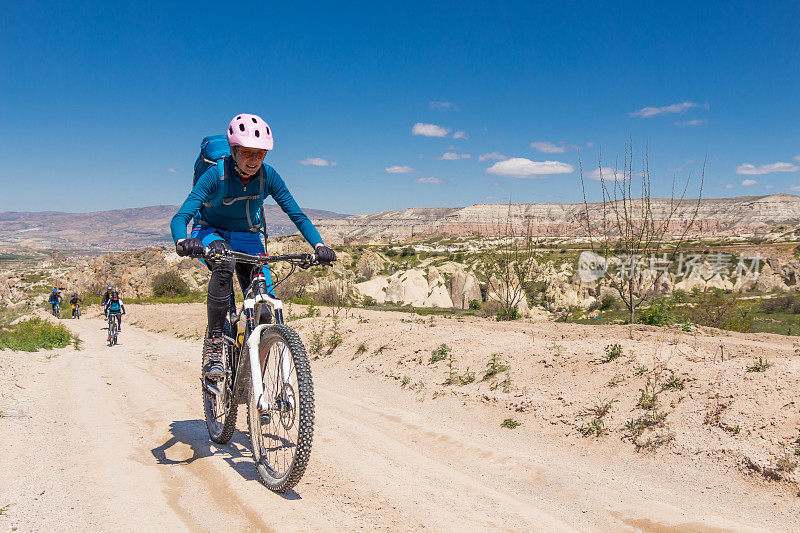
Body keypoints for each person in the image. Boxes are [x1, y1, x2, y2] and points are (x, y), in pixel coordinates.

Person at [171, 113, 336, 380]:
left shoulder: (268, 176)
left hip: (248, 236)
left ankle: (250, 372)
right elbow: (181, 217)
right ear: (234, 151)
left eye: (259, 154)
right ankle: (215, 343)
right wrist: (183, 240)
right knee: (224, 265)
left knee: (264, 308)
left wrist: (319, 245)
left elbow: (297, 215)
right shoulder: (216, 174)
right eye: (247, 153)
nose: (253, 160)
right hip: (211, 232)